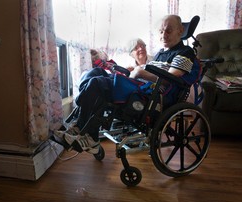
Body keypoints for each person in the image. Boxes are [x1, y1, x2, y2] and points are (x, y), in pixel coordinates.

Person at [54, 14, 196, 154]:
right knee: (94, 73)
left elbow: (171, 77)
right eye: (161, 31)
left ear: (180, 31)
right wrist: (136, 71)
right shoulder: (160, 53)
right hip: (138, 85)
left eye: (169, 30)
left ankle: (87, 133)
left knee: (96, 83)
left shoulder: (185, 52)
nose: (164, 34)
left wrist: (140, 72)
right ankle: (81, 125)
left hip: (149, 93)